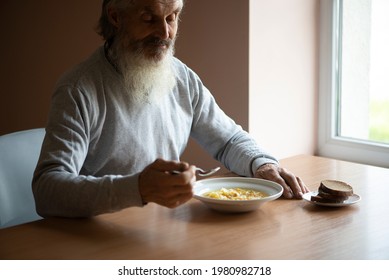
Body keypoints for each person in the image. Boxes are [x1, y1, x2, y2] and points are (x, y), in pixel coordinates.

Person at [32, 0, 309, 218]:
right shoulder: (77, 89)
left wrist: (261, 165)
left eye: (172, 17)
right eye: (149, 18)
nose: (164, 33)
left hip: (164, 229)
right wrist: (138, 189)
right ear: (116, 17)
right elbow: (48, 190)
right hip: (98, 238)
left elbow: (229, 140)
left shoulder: (182, 77)